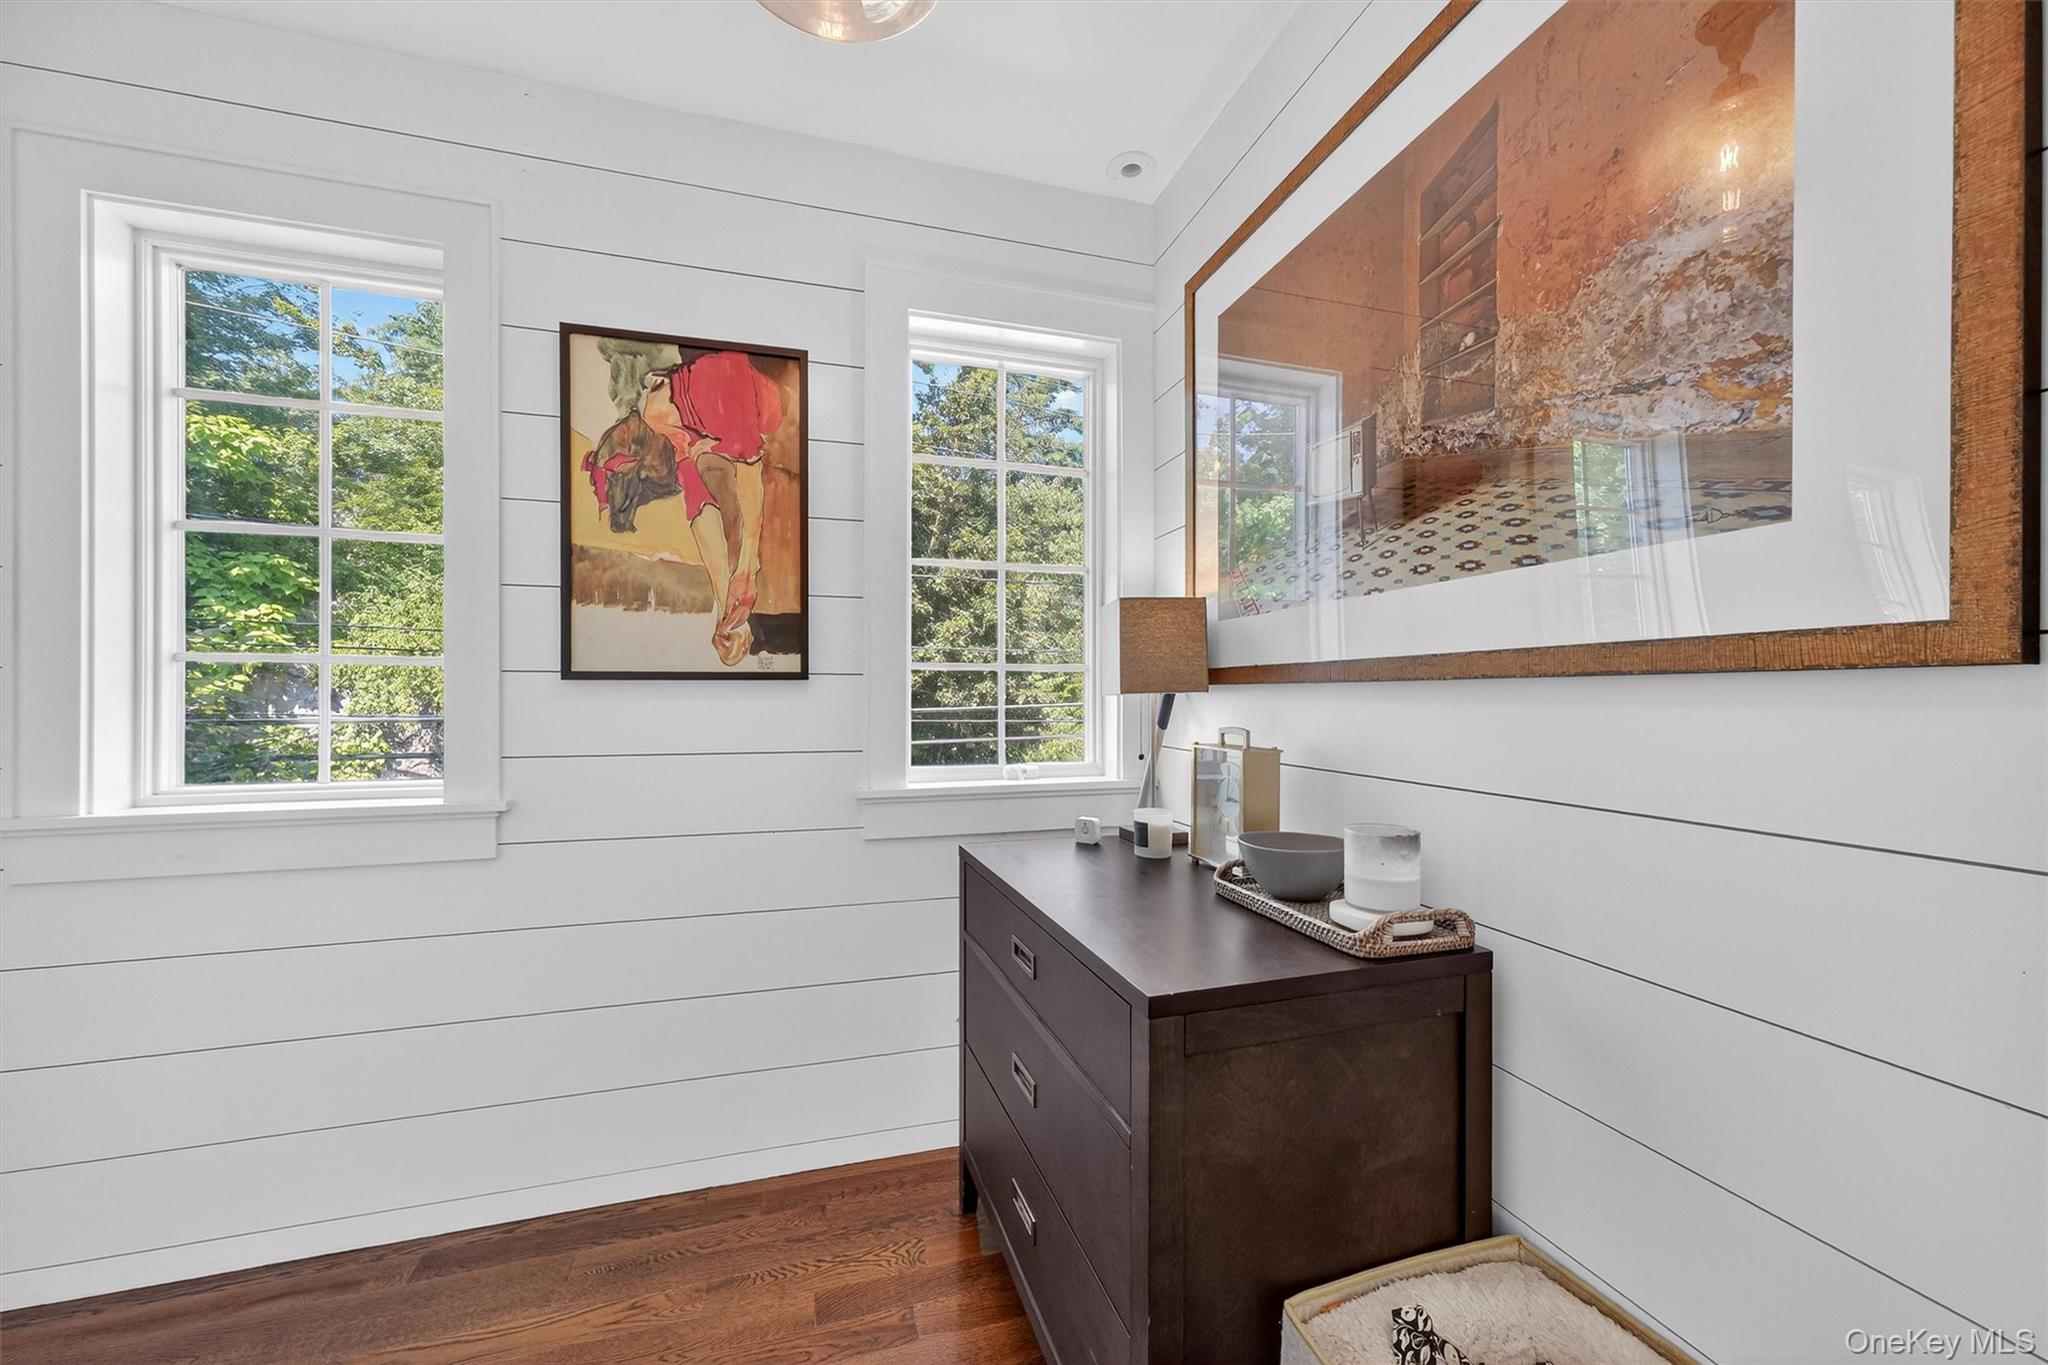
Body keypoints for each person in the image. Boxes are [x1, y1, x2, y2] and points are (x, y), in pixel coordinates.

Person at [636, 351, 783, 666]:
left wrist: (747, 569)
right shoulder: (660, 419)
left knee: (724, 458)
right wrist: (725, 613)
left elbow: (748, 469)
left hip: (755, 404)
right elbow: (699, 505)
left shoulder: (720, 381)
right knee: (699, 473)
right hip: (710, 420)